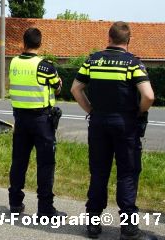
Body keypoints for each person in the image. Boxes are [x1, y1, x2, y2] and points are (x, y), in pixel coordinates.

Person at [71, 22, 156, 240]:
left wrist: (90, 109)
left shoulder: (92, 60)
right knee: (127, 173)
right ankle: (128, 227)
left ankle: (93, 223)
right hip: (125, 124)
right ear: (128, 41)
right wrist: (138, 112)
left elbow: (75, 89)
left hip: (98, 122)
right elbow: (149, 96)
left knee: (99, 171)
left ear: (108, 38)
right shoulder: (133, 63)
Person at [8, 28, 64, 217]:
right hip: (42, 120)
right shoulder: (45, 66)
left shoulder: (14, 62)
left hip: (20, 119)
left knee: (19, 162)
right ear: (40, 44)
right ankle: (45, 208)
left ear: (24, 43)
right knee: (45, 164)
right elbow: (57, 87)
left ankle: (15, 203)